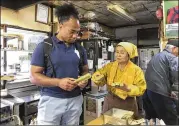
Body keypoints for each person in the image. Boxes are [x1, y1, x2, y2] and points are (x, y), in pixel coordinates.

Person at [30, 4, 89, 125]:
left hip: (75, 100)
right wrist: (58, 82)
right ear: (61, 26)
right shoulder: (44, 47)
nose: (75, 36)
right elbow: (33, 77)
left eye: (77, 33)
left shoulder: (80, 49)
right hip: (51, 101)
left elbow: (85, 71)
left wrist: (84, 80)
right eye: (72, 31)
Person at [92, 42, 146, 118]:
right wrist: (97, 78)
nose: (118, 55)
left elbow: (141, 88)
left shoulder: (136, 70)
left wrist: (128, 88)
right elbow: (100, 76)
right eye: (117, 52)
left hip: (128, 103)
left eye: (122, 53)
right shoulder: (110, 66)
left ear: (129, 55)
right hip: (110, 100)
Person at [143, 39, 179, 125]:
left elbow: (162, 76)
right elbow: (176, 75)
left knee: (153, 118)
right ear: (174, 48)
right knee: (172, 120)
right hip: (160, 93)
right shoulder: (172, 57)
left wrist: (170, 91)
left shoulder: (157, 56)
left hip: (148, 92)